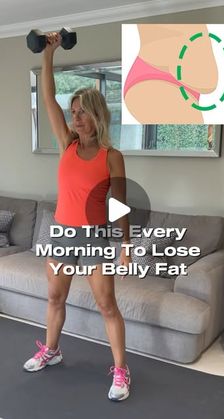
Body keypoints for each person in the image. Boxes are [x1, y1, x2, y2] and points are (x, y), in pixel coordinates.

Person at [23, 32, 132, 402]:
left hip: (96, 238)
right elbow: (48, 95)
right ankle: (52, 350)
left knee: (107, 305)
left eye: (82, 111)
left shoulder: (111, 155)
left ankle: (121, 370)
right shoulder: (66, 143)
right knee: (55, 298)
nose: (76, 117)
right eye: (73, 112)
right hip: (62, 234)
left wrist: (126, 244)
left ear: (97, 113)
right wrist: (49, 54)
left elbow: (120, 203)